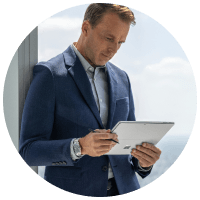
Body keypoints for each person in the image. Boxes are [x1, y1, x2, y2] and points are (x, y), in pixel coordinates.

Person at [19, 3, 161, 197]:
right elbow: (29, 150)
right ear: (86, 28)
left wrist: (143, 162)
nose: (114, 49)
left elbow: (128, 146)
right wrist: (80, 146)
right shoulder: (50, 75)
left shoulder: (122, 78)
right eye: (109, 38)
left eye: (121, 42)